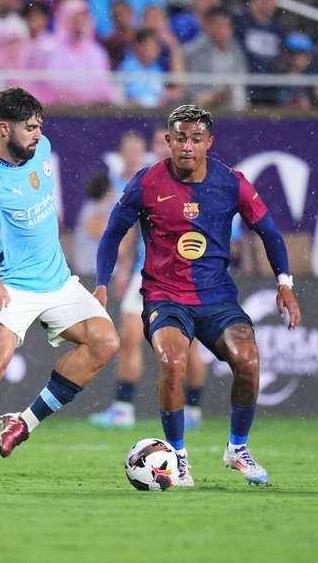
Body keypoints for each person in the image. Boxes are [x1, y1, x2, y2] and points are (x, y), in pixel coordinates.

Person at [0, 88, 120, 491]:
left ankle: (23, 423)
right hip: (11, 287)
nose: (37, 134)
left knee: (105, 342)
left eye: (39, 126)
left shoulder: (41, 149)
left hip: (59, 282)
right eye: (29, 128)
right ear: (3, 128)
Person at [96, 105, 301, 486]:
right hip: (164, 297)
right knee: (173, 361)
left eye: (196, 139)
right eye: (180, 139)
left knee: (249, 360)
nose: (187, 146)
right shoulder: (145, 183)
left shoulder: (232, 183)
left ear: (209, 142)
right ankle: (178, 457)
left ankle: (237, 449)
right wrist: (102, 282)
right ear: (168, 141)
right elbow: (111, 233)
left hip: (217, 299)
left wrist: (284, 283)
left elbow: (270, 232)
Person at [90, 130, 210, 431]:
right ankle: (123, 408)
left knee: (187, 347)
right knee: (129, 336)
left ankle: (193, 409)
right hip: (147, 274)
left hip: (187, 278)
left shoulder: (200, 182)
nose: (161, 148)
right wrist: (123, 268)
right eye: (157, 143)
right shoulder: (147, 184)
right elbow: (130, 230)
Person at [32, 0, 116, 106]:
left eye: (83, 19)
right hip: (57, 113)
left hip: (92, 113)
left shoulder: (97, 51)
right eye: (75, 20)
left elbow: (104, 86)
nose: (79, 25)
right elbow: (53, 86)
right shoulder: (49, 49)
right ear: (65, 20)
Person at [233, 0, 285, 105]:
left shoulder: (277, 29)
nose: (272, 3)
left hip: (271, 91)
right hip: (248, 89)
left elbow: (280, 60)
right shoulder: (240, 23)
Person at [183, 7, 248, 110]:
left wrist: (224, 93)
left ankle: (240, 122)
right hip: (201, 98)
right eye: (220, 26)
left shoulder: (235, 48)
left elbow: (241, 77)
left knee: (238, 91)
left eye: (228, 26)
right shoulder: (194, 50)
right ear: (209, 26)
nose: (224, 31)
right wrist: (215, 96)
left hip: (228, 97)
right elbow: (191, 87)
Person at [71, 173, 116, 277]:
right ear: (108, 191)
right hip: (90, 275)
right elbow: (119, 245)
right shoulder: (91, 212)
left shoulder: (104, 210)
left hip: (96, 274)